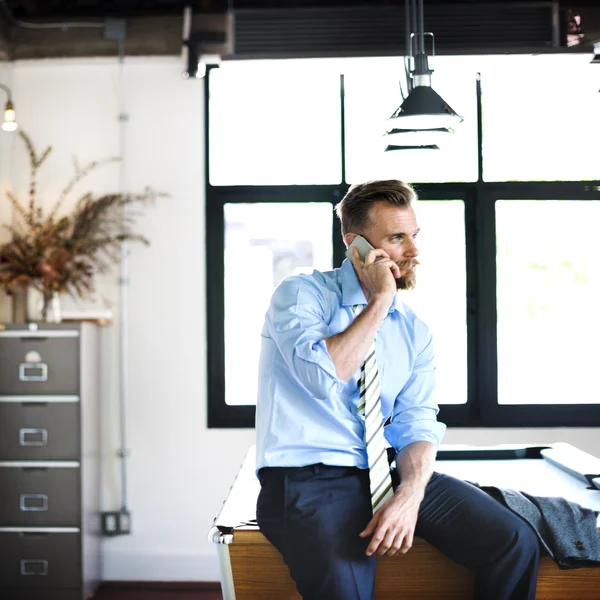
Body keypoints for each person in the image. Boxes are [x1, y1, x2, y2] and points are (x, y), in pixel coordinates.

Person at [255, 180, 541, 600]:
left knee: (514, 541)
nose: (413, 251)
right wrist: (379, 301)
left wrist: (410, 492)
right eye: (397, 238)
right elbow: (324, 374)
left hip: (384, 473)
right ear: (357, 246)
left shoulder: (413, 331)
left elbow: (416, 423)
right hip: (307, 480)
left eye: (415, 236)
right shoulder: (301, 295)